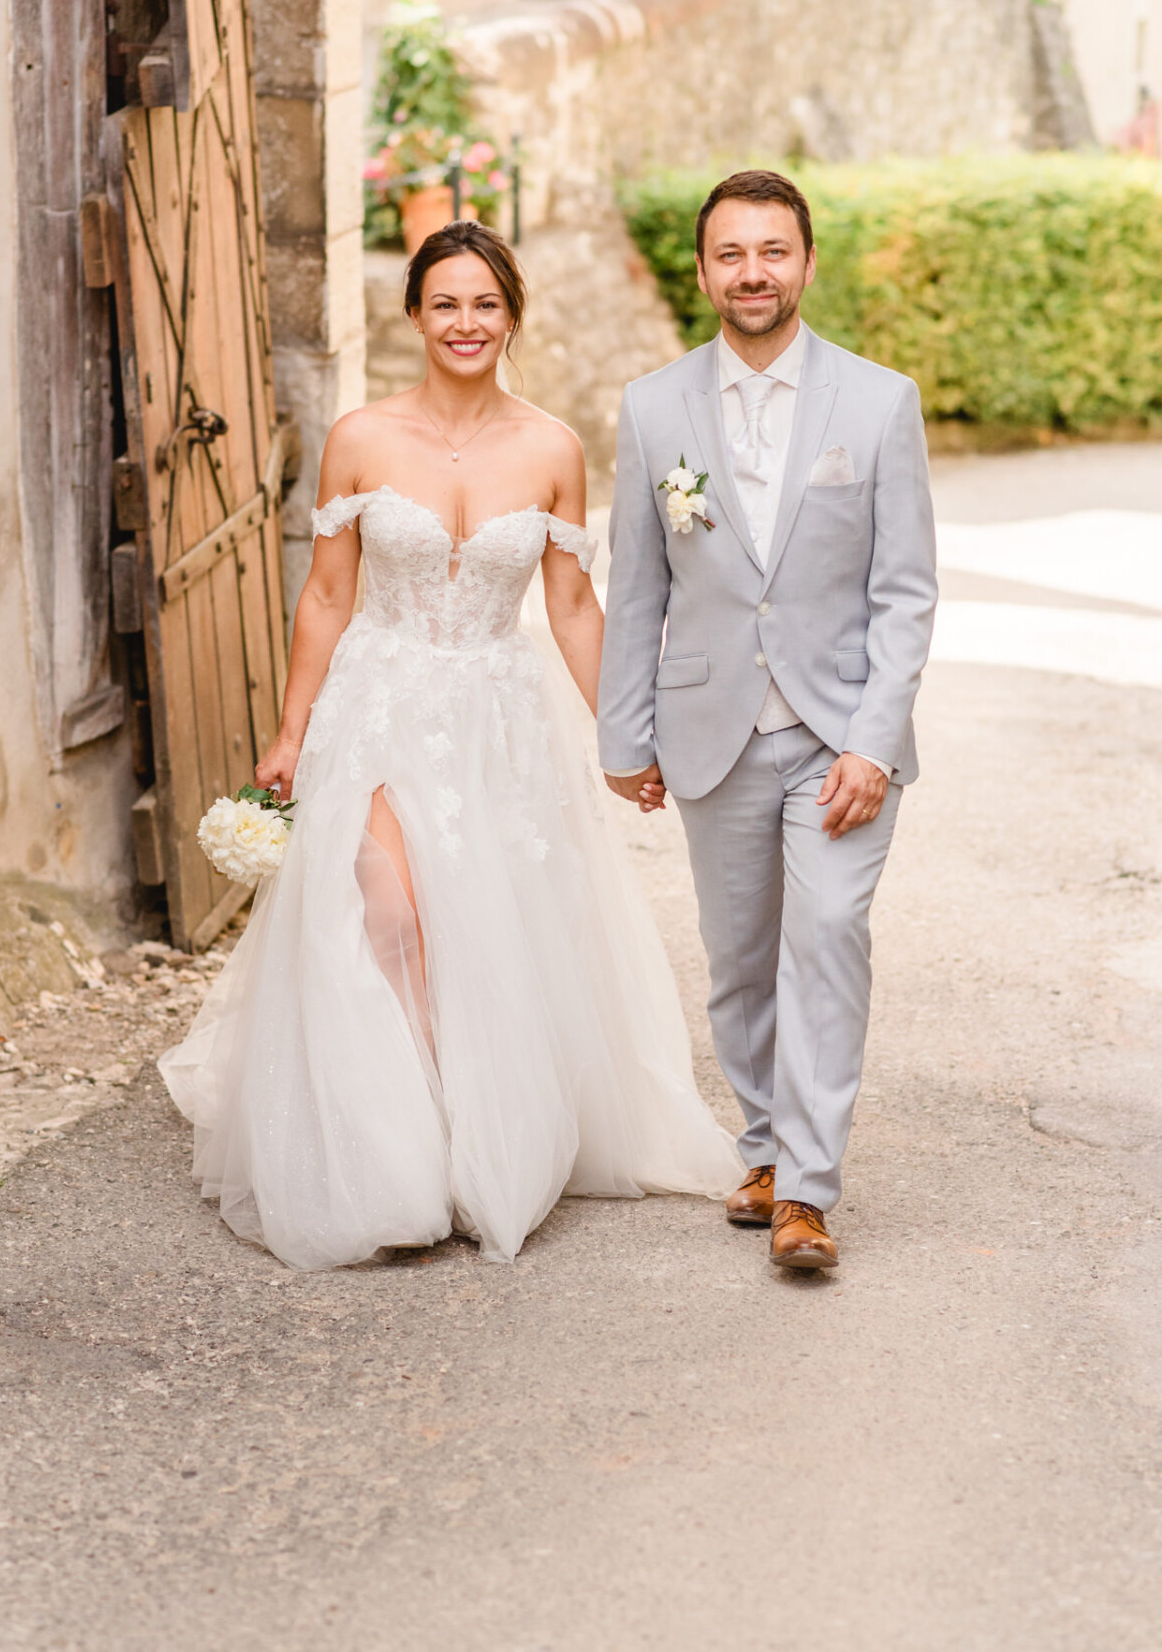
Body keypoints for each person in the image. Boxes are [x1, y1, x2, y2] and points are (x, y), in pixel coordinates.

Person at [160, 220, 741, 1271]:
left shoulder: (552, 448)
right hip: (379, 704)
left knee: (491, 925)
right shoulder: (361, 436)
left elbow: (573, 608)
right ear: (415, 315)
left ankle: (488, 1140)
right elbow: (326, 593)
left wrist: (628, 736)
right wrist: (291, 729)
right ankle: (412, 1148)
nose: (465, 323)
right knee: (393, 914)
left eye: (484, 304)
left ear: (511, 315)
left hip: (499, 716)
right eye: (445, 304)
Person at [598, 171, 937, 1271]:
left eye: (773, 250)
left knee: (827, 937)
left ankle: (805, 1191)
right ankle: (762, 1148)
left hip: (840, 738)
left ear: (807, 262)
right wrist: (625, 736)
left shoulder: (879, 402)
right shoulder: (653, 407)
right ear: (704, 272)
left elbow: (906, 592)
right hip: (712, 730)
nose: (754, 272)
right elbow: (639, 586)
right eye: (732, 253)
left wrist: (874, 741)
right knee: (740, 961)